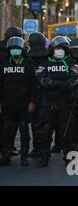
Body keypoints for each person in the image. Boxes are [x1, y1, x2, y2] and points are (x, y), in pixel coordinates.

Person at [36, 36, 78, 167]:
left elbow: (74, 80)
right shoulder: (44, 63)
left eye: (62, 49)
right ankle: (44, 156)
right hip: (49, 102)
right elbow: (41, 79)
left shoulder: (69, 63)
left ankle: (68, 156)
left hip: (64, 103)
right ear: (52, 49)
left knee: (65, 131)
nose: (60, 51)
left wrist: (61, 86)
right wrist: (56, 84)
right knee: (47, 130)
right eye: (57, 48)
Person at [0, 36, 36, 166]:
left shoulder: (28, 63)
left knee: (24, 129)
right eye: (13, 49)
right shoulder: (3, 64)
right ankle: (5, 154)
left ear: (22, 50)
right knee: (6, 130)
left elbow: (33, 85)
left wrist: (32, 102)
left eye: (17, 49)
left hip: (23, 104)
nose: (15, 51)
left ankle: (24, 156)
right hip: (7, 104)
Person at [26, 32, 50, 158]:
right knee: (46, 122)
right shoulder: (48, 56)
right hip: (47, 92)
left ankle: (37, 148)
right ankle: (45, 148)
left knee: (35, 122)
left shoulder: (28, 57)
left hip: (33, 93)